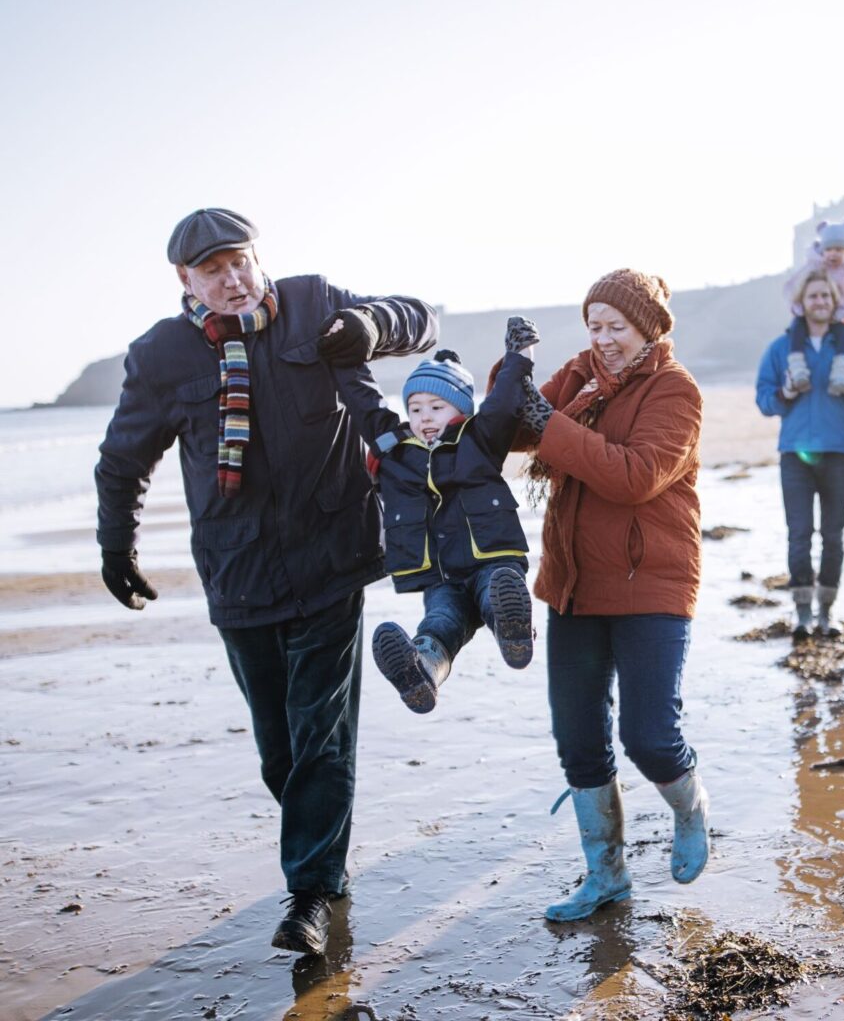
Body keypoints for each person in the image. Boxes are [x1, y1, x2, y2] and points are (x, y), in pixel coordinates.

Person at [95, 208, 437, 956]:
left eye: (239, 262)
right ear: (185, 280)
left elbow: (420, 319)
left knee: (321, 734)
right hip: (238, 572)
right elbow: (123, 460)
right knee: (280, 753)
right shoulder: (161, 356)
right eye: (212, 270)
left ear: (258, 257)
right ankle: (322, 854)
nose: (232, 280)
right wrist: (116, 545)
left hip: (332, 558)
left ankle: (310, 894)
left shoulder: (314, 304)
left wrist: (371, 325)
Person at [510, 268, 710, 923]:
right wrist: (513, 374)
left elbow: (635, 477)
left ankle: (690, 809)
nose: (603, 338)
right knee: (578, 739)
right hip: (574, 584)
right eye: (594, 325)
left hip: (650, 582)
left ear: (646, 328)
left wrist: (548, 423)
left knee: (650, 737)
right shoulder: (581, 374)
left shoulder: (675, 390)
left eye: (615, 326)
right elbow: (512, 426)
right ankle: (607, 875)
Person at [328, 316, 539, 714]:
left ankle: (513, 632)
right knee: (441, 623)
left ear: (459, 410)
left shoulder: (479, 439)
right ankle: (422, 672)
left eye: (436, 407)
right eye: (415, 408)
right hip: (441, 575)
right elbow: (363, 401)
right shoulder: (394, 450)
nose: (424, 417)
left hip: (490, 560)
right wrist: (343, 356)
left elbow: (504, 401)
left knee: (496, 594)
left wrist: (520, 354)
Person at [756, 269, 844, 641]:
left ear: (835, 301)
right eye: (813, 296)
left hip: (839, 451)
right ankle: (802, 614)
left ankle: (827, 612)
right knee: (799, 535)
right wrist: (786, 393)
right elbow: (764, 399)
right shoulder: (780, 349)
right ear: (801, 302)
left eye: (826, 296)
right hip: (795, 454)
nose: (820, 301)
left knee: (833, 536)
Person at [783, 216, 844, 396]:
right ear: (822, 250)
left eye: (839, 250)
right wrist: (799, 309)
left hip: (838, 317)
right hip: (809, 317)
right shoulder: (812, 266)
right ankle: (798, 369)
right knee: (797, 330)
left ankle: (840, 373)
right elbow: (792, 287)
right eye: (829, 249)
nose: (833, 254)